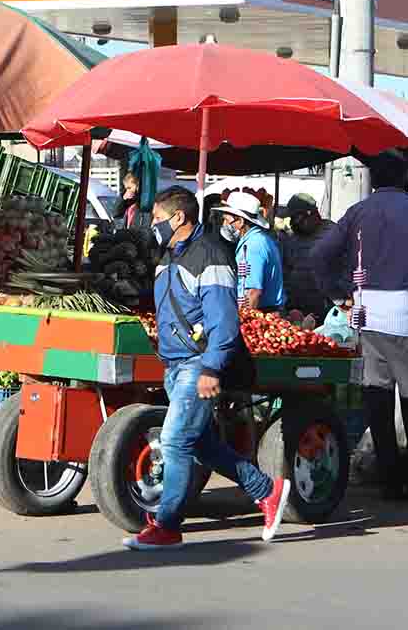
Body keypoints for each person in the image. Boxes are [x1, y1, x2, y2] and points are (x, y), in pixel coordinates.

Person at [122, 186, 288, 551]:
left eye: (159, 219)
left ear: (179, 217)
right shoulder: (169, 255)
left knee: (176, 440)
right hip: (174, 363)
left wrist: (211, 367)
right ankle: (267, 490)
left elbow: (224, 323)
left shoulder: (211, 255)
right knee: (200, 443)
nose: (154, 226)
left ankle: (167, 525)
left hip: (197, 364)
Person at [310, 149, 408, 501]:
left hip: (369, 320)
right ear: (407, 179)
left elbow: (319, 256)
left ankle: (390, 481)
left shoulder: (357, 213)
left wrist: (339, 296)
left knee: (377, 401)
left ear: (374, 181)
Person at [214, 190, 285, 313]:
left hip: (263, 313)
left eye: (227, 220)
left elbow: (253, 292)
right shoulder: (258, 240)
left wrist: (245, 320)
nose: (225, 225)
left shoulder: (253, 245)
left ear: (240, 221)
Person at [278, 194, 332, 317]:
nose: (292, 223)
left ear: (310, 214)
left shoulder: (333, 234)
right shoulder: (291, 238)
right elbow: (286, 268)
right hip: (295, 307)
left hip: (323, 307)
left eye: (295, 218)